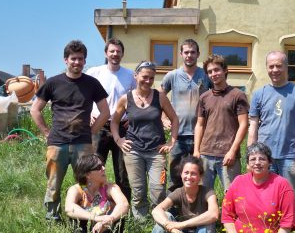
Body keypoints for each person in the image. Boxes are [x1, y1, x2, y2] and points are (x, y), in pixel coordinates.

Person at [30, 40, 110, 221]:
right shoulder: (53, 83)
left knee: (87, 182)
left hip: (83, 143)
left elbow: (105, 112)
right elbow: (34, 110)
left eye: (80, 59)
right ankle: (52, 218)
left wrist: (92, 132)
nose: (77, 62)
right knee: (53, 184)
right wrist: (46, 132)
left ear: (84, 61)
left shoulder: (92, 84)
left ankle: (85, 216)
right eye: (73, 58)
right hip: (57, 143)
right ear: (65, 60)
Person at [248, 51, 295, 233]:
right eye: (271, 66)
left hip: (289, 156)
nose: (275, 70)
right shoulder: (259, 94)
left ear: (286, 67)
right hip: (264, 159)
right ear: (267, 68)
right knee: (264, 200)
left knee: (293, 201)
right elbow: (253, 125)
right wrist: (251, 155)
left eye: (279, 66)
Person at [111, 61, 179, 219]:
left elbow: (174, 119)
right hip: (133, 152)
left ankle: (159, 223)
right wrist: (118, 140)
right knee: (138, 190)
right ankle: (141, 224)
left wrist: (171, 142)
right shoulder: (125, 99)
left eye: (151, 78)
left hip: (157, 153)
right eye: (144, 77)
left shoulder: (160, 97)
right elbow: (114, 122)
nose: (148, 81)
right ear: (136, 76)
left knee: (159, 189)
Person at [222, 142, 295, 233]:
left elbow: (287, 224)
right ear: (247, 164)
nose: (257, 163)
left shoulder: (282, 185)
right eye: (253, 159)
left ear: (269, 162)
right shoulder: (238, 182)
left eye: (262, 158)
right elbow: (227, 217)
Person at [139, 155, 219, 233]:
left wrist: (181, 225)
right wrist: (169, 226)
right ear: (181, 174)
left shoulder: (207, 192)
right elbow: (156, 210)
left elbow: (214, 214)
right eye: (186, 172)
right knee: (166, 216)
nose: (189, 177)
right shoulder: (178, 192)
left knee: (208, 223)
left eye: (194, 173)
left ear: (200, 176)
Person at [86, 38, 136, 202]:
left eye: (118, 51)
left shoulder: (130, 75)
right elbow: (83, 96)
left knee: (123, 172)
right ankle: (94, 206)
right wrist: (88, 113)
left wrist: (133, 118)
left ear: (122, 54)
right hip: (99, 126)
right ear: (106, 53)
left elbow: (137, 98)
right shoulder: (94, 72)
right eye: (112, 51)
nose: (115, 54)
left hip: (122, 129)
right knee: (94, 168)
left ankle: (124, 212)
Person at [159, 39, 210, 191]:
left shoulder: (206, 76)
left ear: (198, 54)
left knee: (199, 175)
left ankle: (197, 209)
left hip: (201, 136)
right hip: (178, 136)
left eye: (193, 52)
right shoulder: (172, 76)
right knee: (175, 175)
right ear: (181, 54)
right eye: (186, 52)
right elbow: (159, 98)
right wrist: (163, 117)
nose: (189, 55)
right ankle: (173, 211)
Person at [194, 54, 249, 191]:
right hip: (206, 153)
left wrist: (232, 151)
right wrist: (196, 150)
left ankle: (228, 214)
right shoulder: (204, 97)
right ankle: (209, 213)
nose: (214, 74)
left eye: (217, 70)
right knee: (203, 195)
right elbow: (200, 125)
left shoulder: (237, 95)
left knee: (232, 195)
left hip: (228, 154)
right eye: (210, 71)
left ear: (225, 70)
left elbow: (243, 124)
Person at [65, 154, 129, 233]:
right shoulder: (77, 189)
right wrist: (96, 218)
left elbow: (124, 204)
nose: (104, 168)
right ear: (88, 174)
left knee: (119, 216)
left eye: (103, 165)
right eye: (99, 167)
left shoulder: (110, 187)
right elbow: (69, 208)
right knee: (74, 219)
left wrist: (108, 219)